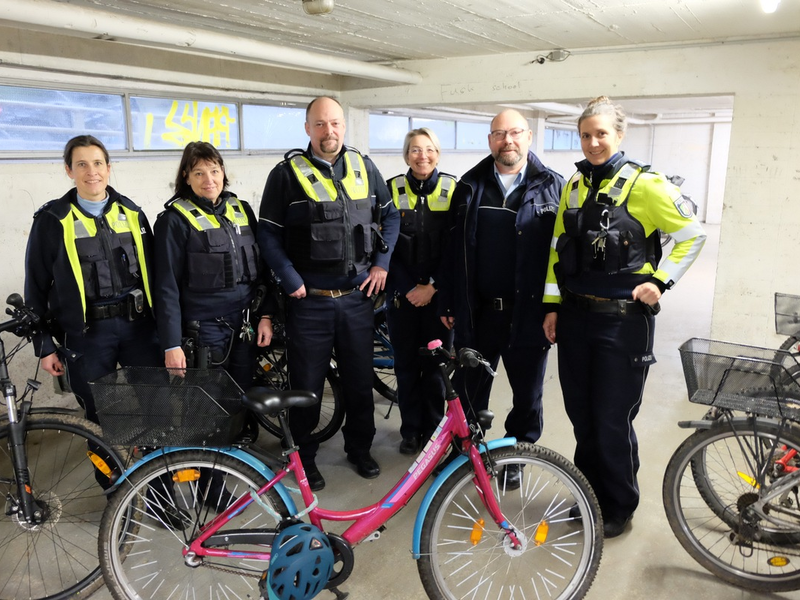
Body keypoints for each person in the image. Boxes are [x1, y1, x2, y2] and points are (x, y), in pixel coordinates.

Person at [542, 96, 707, 538]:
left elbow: (692, 235)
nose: (593, 142)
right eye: (586, 135)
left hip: (622, 323)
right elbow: (559, 247)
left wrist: (661, 280)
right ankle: (589, 493)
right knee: (581, 414)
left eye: (601, 134)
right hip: (575, 320)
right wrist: (553, 307)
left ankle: (618, 505)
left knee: (612, 417)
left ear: (619, 135)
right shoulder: (574, 185)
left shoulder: (646, 185)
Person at [258, 96, 399, 491]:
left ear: (343, 126)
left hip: (356, 300)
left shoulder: (364, 168)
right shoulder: (285, 175)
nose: (329, 132)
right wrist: (288, 277)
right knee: (306, 388)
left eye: (335, 123)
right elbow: (267, 233)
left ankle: (360, 448)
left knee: (358, 382)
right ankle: (305, 459)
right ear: (307, 129)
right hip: (310, 302)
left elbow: (389, 217)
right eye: (320, 124)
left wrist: (381, 264)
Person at [437, 109, 563, 485]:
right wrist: (448, 301)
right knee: (470, 390)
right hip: (480, 313)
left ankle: (516, 458)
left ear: (528, 137)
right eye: (498, 134)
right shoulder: (469, 185)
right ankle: (466, 457)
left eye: (514, 133)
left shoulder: (553, 185)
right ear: (490, 140)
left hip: (529, 314)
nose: (507, 140)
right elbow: (452, 248)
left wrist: (556, 308)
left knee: (527, 395)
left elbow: (562, 255)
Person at [24, 135, 161, 427]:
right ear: (69, 170)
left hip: (139, 328)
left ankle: (159, 471)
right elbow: (35, 286)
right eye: (82, 164)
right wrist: (44, 345)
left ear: (109, 168)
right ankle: (108, 474)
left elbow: (157, 274)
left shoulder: (132, 213)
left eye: (98, 163)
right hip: (87, 336)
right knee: (99, 413)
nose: (92, 171)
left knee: (156, 403)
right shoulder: (52, 220)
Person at [385, 128, 456, 455]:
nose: (422, 156)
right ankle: (410, 431)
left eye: (428, 149)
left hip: (439, 300)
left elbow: (458, 249)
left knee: (437, 369)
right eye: (415, 150)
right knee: (406, 367)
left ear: (437, 154)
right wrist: (409, 287)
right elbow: (385, 247)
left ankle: (435, 430)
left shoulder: (455, 190)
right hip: (403, 298)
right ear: (406, 154)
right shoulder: (392, 189)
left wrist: (433, 287)